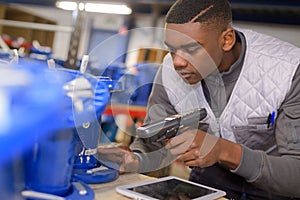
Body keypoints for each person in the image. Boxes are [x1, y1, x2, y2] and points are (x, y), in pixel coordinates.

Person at [97, 0, 300, 199]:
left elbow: (296, 176)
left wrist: (223, 150)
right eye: (172, 49)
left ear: (227, 40)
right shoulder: (170, 70)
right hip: (205, 187)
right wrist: (137, 158)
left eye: (192, 49)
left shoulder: (286, 70)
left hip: (271, 191)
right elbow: (152, 140)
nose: (178, 62)